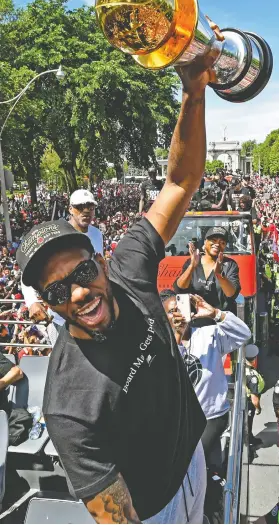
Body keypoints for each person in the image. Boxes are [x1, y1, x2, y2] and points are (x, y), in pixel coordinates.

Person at [16, 49, 220, 524]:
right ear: (47, 303)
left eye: (83, 273)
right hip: (156, 512)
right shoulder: (67, 405)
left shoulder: (130, 265)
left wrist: (193, 91)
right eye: (57, 292)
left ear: (102, 261)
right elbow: (119, 518)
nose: (78, 294)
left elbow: (180, 182)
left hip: (193, 459)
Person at [160, 289, 250, 469]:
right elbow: (169, 374)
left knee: (191, 460)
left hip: (210, 416)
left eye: (181, 307)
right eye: (171, 311)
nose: (177, 313)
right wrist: (177, 337)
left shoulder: (208, 335)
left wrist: (215, 314)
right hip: (179, 419)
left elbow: (244, 334)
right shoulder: (159, 344)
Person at [21, 189, 104, 341]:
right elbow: (28, 274)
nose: (86, 211)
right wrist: (32, 302)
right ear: (70, 209)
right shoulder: (54, 235)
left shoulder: (97, 234)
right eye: (80, 207)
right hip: (62, 321)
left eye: (90, 207)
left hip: (90, 314)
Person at [174, 227, 241, 314]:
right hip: (195, 321)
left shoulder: (230, 265)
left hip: (221, 321)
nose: (217, 244)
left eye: (222, 242)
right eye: (213, 240)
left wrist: (219, 275)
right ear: (205, 242)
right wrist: (192, 266)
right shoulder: (192, 262)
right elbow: (180, 288)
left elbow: (231, 294)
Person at [245, 344, 265, 446]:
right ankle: (248, 446)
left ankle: (250, 439)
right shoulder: (252, 376)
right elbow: (254, 399)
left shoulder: (242, 369)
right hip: (248, 403)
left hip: (243, 401)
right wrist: (258, 408)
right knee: (247, 424)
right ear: (254, 359)